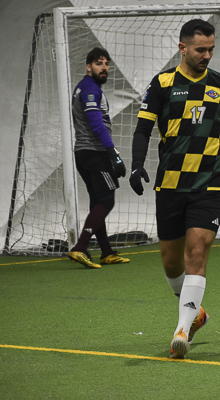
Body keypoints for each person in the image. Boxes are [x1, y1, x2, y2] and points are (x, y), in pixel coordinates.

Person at [129, 19, 220, 359]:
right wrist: (137, 164)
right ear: (182, 48)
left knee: (197, 253)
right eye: (201, 49)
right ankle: (196, 314)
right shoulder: (162, 83)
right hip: (171, 185)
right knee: (172, 262)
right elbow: (142, 129)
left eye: (211, 49)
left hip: (209, 183)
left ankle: (182, 331)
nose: (207, 55)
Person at [68, 47, 130, 269]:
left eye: (106, 63)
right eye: (98, 63)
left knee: (97, 201)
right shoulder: (89, 89)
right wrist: (113, 154)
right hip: (94, 153)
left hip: (84, 153)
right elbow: (96, 123)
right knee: (106, 200)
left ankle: (106, 252)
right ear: (88, 67)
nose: (104, 67)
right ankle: (80, 246)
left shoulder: (86, 87)